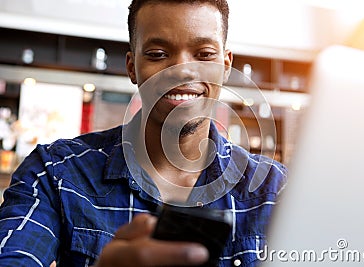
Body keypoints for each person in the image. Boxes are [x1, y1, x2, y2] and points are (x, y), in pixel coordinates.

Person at [0, 0, 287, 266]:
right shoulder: (55, 172)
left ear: (225, 67)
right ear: (132, 67)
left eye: (204, 55)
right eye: (158, 54)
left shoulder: (277, 189)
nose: (182, 71)